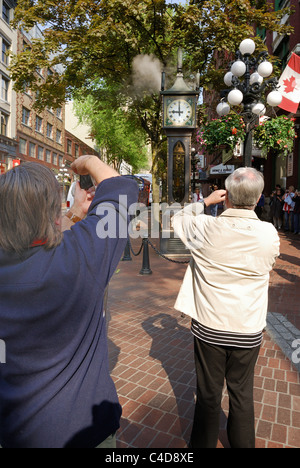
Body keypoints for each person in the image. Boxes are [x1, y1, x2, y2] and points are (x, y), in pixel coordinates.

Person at [0, 155, 138, 448]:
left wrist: (74, 214)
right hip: (84, 428)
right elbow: (123, 189)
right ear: (53, 212)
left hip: (16, 430)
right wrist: (88, 161)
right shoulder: (79, 259)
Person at [172, 167, 280, 449]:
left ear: (227, 197)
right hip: (247, 327)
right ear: (257, 199)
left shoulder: (206, 227)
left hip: (210, 326)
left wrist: (206, 203)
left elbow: (178, 218)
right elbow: (270, 262)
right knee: (242, 395)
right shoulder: (268, 234)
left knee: (208, 395)